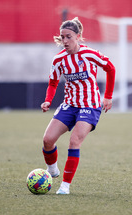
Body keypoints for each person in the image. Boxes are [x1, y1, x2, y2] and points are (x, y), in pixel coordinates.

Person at [40, 17, 116, 194]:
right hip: (70, 105)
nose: (65, 41)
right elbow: (53, 83)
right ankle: (52, 170)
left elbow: (110, 68)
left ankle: (65, 186)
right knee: (47, 140)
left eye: (69, 37)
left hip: (89, 105)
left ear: (78, 36)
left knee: (74, 141)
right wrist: (48, 101)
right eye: (63, 37)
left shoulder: (89, 54)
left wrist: (108, 97)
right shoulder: (58, 60)